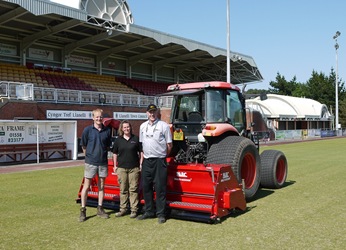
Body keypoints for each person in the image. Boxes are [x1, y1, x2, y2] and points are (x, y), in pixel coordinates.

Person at [137, 104, 173, 224]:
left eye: (154, 112)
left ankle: (161, 213)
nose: (152, 114)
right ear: (146, 113)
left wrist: (163, 156)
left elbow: (169, 145)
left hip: (159, 160)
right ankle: (149, 211)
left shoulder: (164, 126)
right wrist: (141, 162)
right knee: (146, 187)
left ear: (157, 112)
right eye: (150, 112)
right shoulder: (142, 126)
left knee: (160, 188)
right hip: (147, 161)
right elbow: (142, 145)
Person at [79, 108, 112, 222]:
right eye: (97, 117)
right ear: (93, 118)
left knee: (101, 186)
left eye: (101, 117)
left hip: (102, 162)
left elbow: (107, 146)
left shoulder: (107, 131)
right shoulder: (87, 130)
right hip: (90, 163)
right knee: (86, 186)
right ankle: (83, 210)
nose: (99, 119)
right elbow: (83, 146)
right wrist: (89, 157)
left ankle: (100, 208)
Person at [112, 120, 143, 218]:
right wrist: (115, 165)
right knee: (123, 190)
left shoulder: (136, 139)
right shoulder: (118, 140)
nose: (126, 129)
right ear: (121, 129)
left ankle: (134, 210)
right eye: (124, 127)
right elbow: (114, 153)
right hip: (121, 168)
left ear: (130, 128)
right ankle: (123, 209)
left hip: (134, 168)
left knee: (133, 189)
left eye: (128, 127)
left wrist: (141, 164)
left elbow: (141, 152)